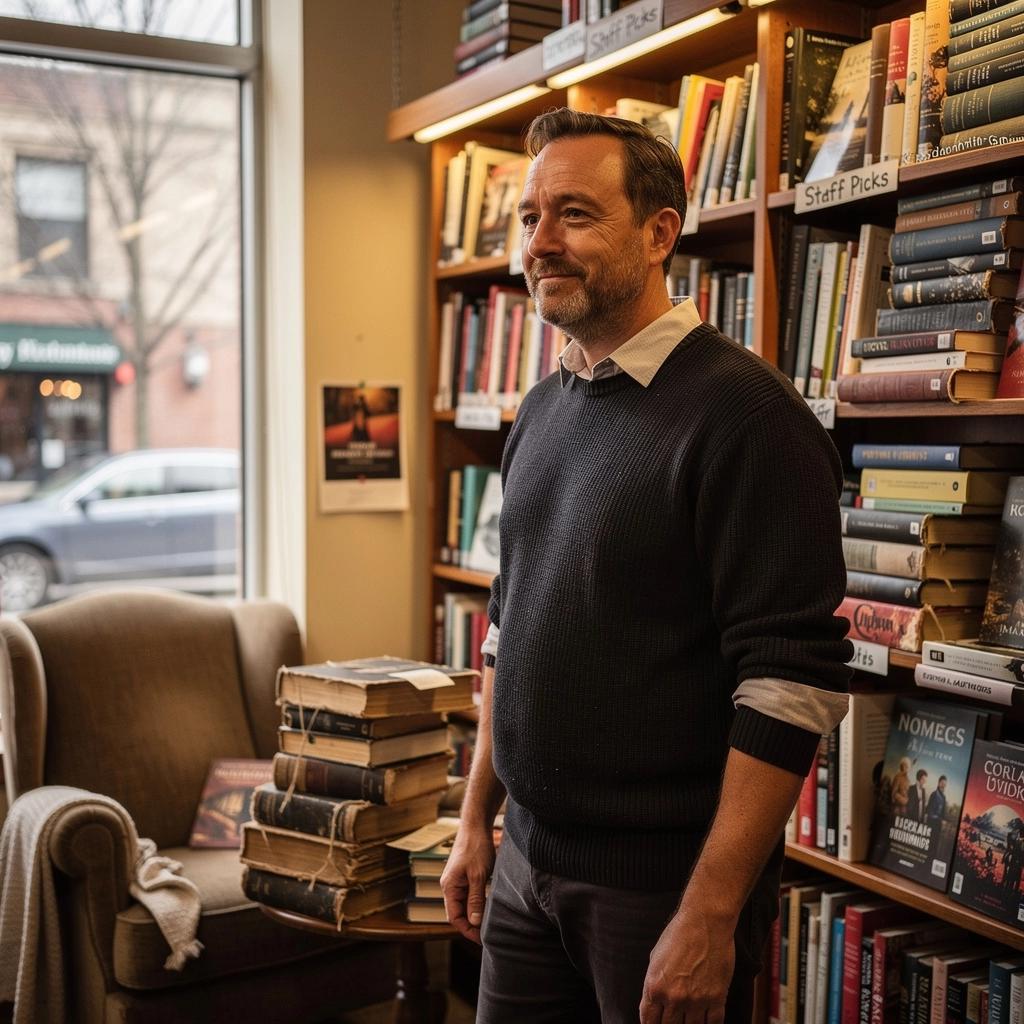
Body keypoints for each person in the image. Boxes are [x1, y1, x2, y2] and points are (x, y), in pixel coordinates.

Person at [440, 108, 852, 1024]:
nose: (540, 243)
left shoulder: (748, 418)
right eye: (530, 217)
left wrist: (712, 912)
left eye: (575, 215)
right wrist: (477, 820)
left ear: (660, 232)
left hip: (661, 895)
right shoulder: (543, 409)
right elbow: (509, 632)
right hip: (524, 869)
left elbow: (790, 685)